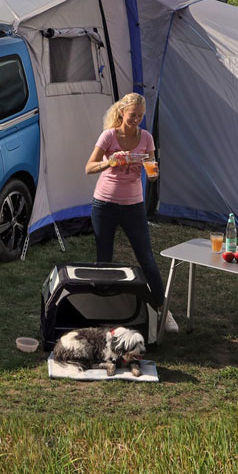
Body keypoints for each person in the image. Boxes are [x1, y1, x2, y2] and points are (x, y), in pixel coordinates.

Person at [84, 92, 177, 333]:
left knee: (145, 256)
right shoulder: (109, 136)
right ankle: (101, 308)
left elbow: (152, 172)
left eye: (140, 116)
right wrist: (110, 161)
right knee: (104, 258)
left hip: (133, 205)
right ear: (122, 112)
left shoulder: (146, 138)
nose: (136, 119)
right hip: (104, 204)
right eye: (132, 115)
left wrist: (153, 173)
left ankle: (162, 308)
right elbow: (89, 167)